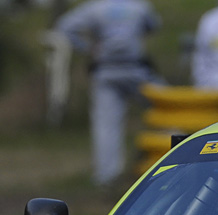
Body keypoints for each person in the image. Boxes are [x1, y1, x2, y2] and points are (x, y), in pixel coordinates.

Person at [55, 0, 162, 187]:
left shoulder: (94, 8)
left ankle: (106, 176)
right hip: (136, 69)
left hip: (105, 71)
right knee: (169, 109)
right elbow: (154, 25)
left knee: (106, 126)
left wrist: (87, 48)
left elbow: (65, 26)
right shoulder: (140, 6)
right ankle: (181, 157)